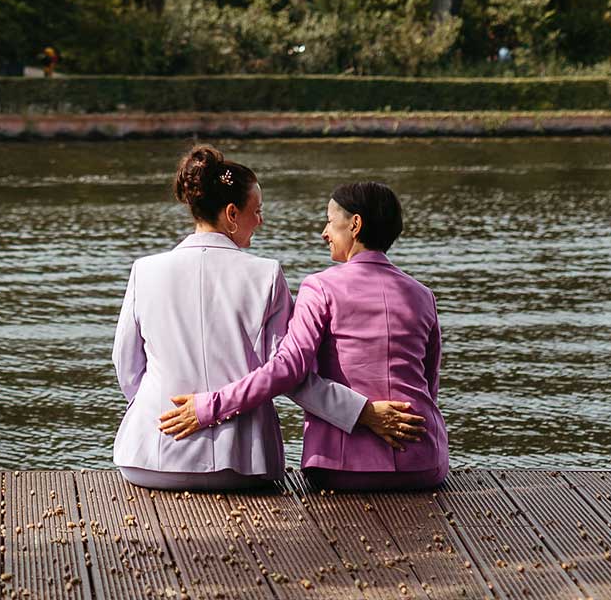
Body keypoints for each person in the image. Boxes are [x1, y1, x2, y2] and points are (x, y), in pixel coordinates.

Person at [112, 146, 423, 490]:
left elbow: (126, 364)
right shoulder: (266, 275)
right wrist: (361, 413)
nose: (260, 220)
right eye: (256, 211)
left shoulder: (145, 271)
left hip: (147, 459)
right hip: (240, 467)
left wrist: (157, 410)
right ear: (232, 213)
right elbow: (290, 375)